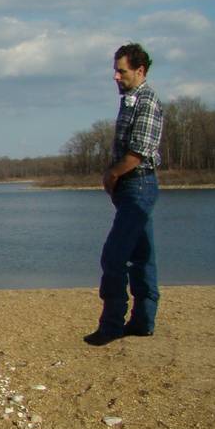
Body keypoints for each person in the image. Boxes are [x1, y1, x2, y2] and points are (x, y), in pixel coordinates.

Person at [84, 43, 163, 346]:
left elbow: (139, 153)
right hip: (133, 188)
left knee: (114, 256)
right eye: (115, 70)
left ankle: (112, 324)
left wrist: (112, 173)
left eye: (122, 71)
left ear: (140, 71)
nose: (116, 76)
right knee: (143, 256)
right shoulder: (130, 100)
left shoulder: (147, 102)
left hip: (138, 185)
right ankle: (143, 322)